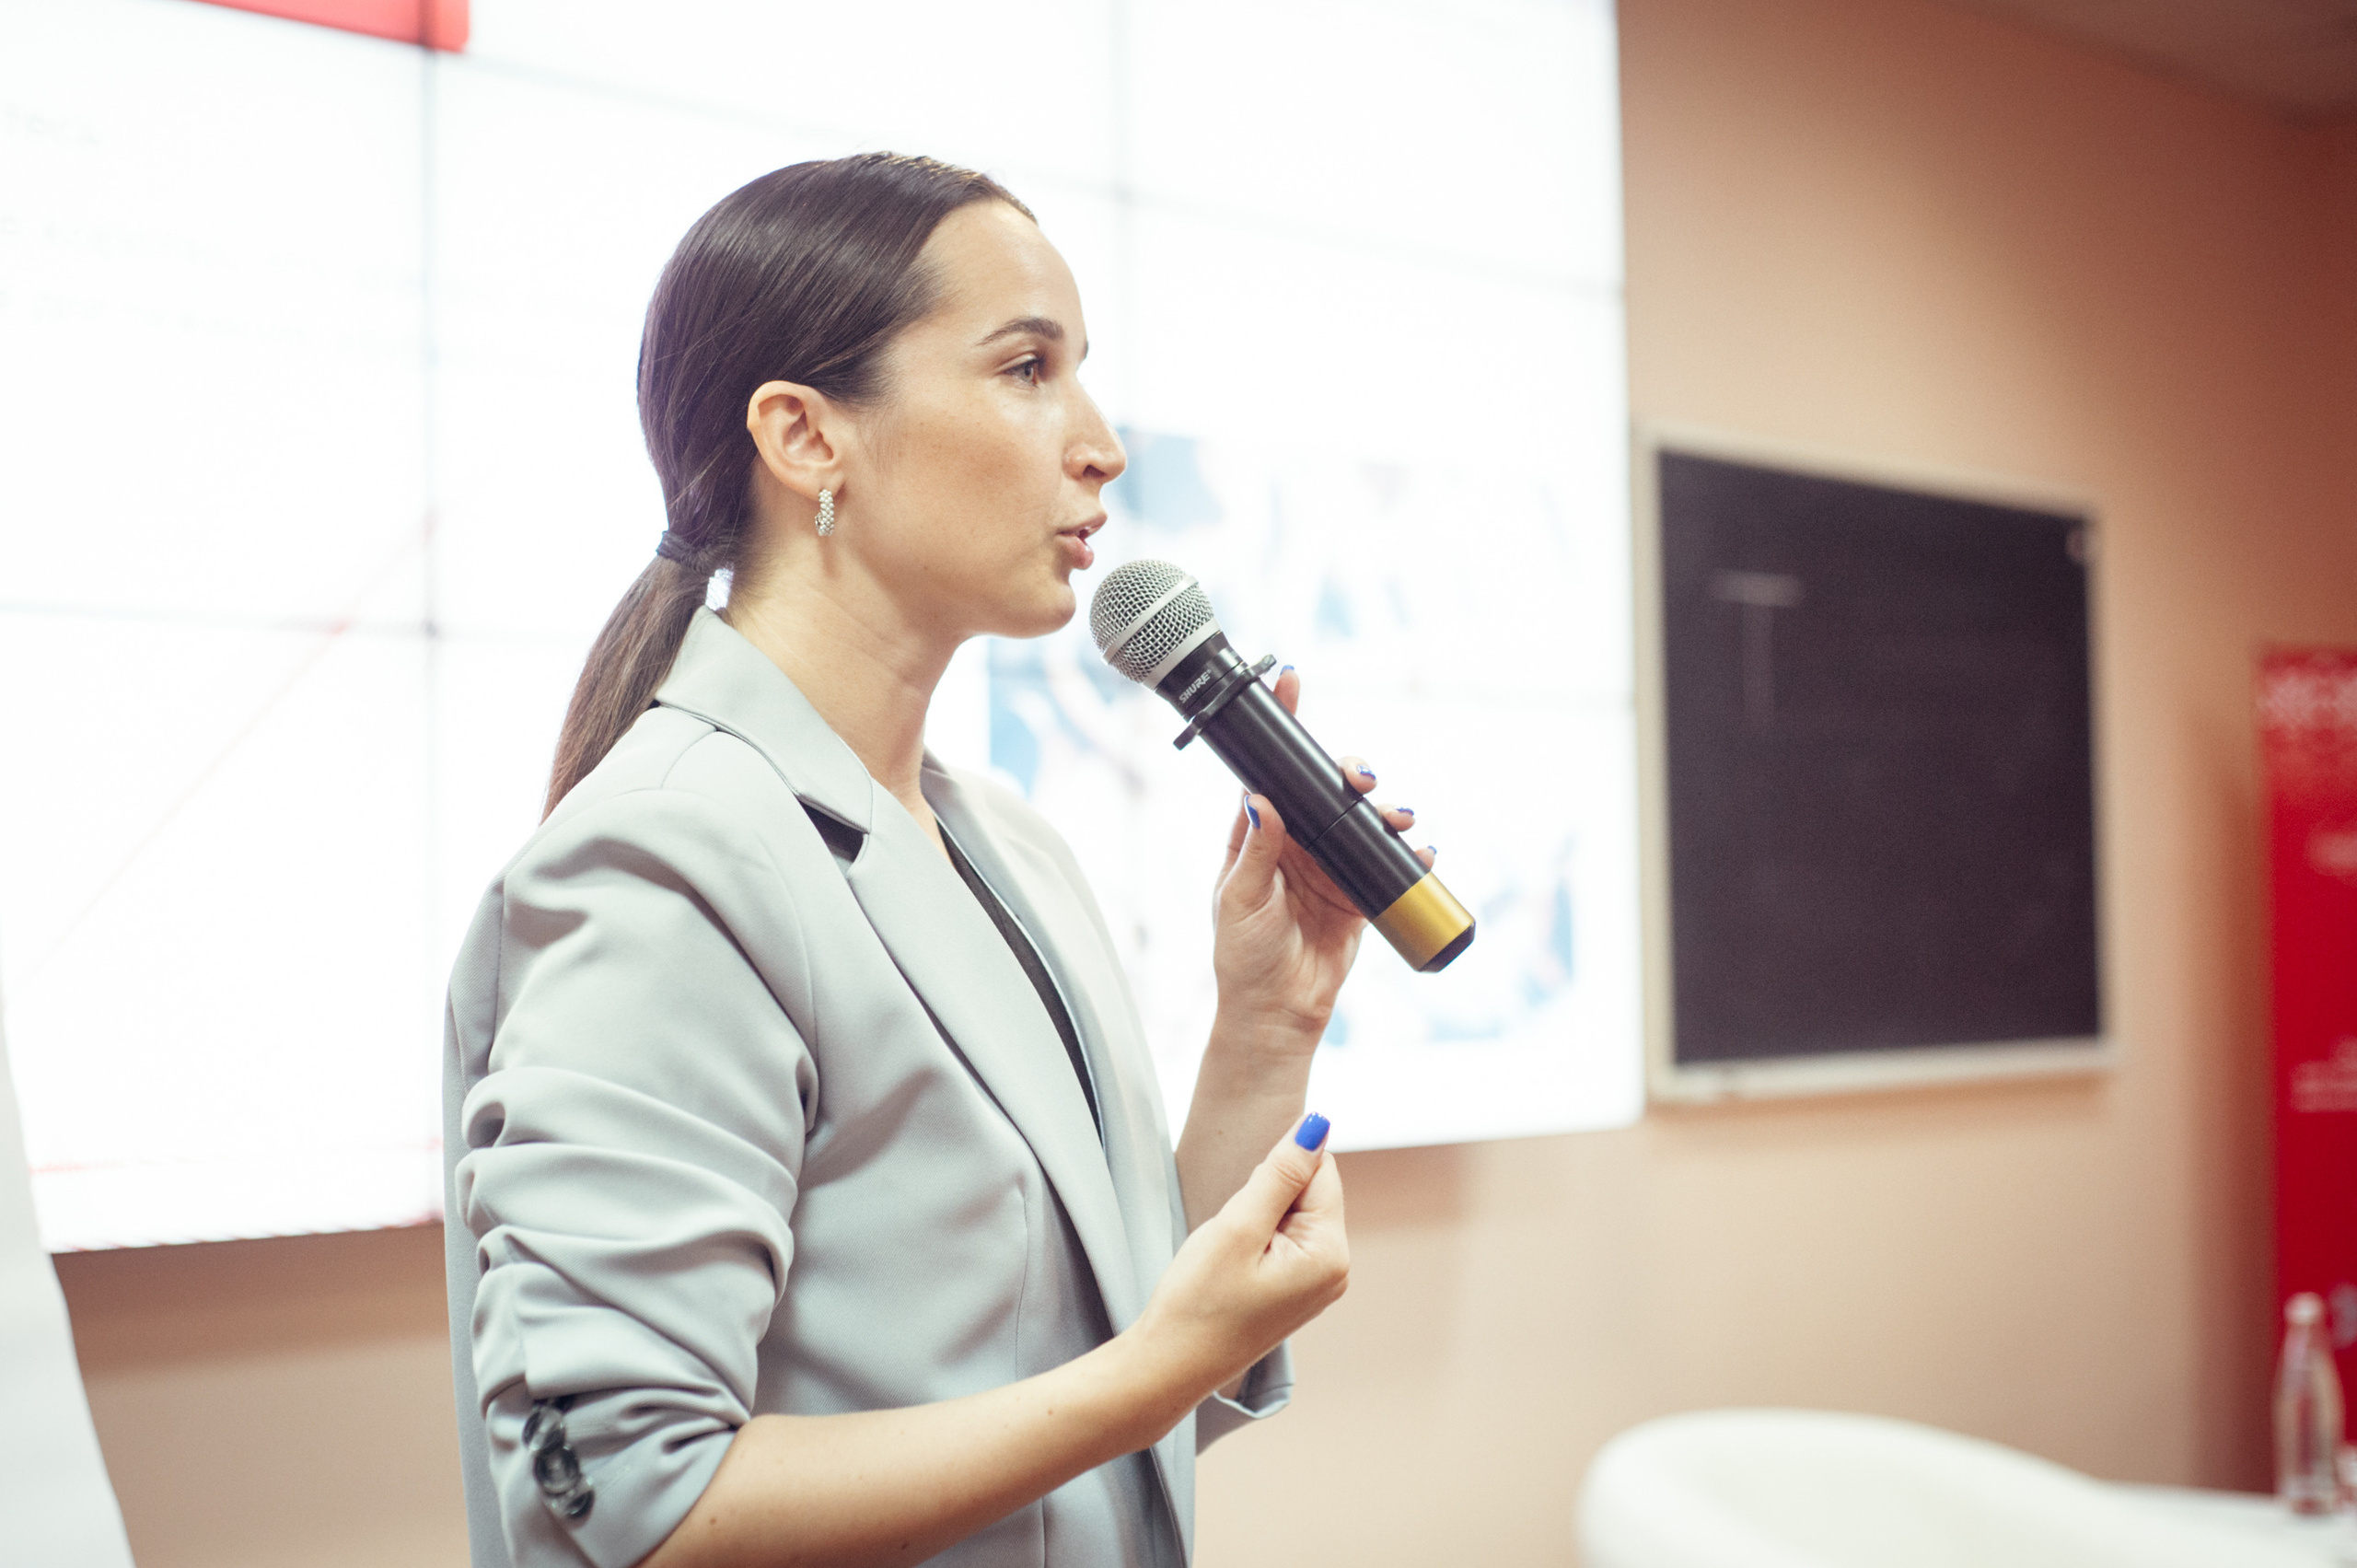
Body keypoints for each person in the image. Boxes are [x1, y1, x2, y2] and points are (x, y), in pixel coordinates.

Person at [441, 152, 1426, 1568]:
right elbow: (630, 1507)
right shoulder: (662, 861)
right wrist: (1151, 1374)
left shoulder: (1010, 845)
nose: (1100, 444)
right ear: (806, 437)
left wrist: (1270, 1025)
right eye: (1026, 368)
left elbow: (1096, 1373)